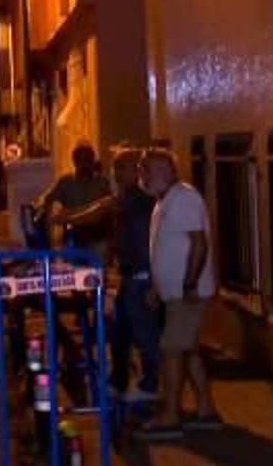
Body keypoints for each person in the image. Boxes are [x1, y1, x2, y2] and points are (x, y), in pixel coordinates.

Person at [65, 146, 162, 401]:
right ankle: (120, 381)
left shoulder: (139, 195)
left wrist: (68, 218)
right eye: (114, 167)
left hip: (141, 275)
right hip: (131, 275)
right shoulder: (130, 196)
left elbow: (103, 207)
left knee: (143, 333)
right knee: (121, 331)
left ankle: (150, 386)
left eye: (122, 167)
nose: (116, 173)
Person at [137, 149, 220, 440]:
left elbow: (199, 244)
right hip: (177, 293)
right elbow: (167, 248)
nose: (143, 176)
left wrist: (188, 284)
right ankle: (206, 411)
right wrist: (158, 287)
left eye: (147, 170)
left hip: (187, 294)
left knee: (171, 350)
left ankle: (170, 416)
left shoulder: (184, 198)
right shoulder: (165, 201)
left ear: (165, 171)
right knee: (189, 350)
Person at [36, 143, 114, 254]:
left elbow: (110, 209)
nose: (84, 165)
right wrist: (49, 234)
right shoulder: (66, 183)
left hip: (98, 237)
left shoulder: (103, 182)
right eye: (80, 160)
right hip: (74, 237)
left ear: (92, 161)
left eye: (87, 160)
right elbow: (47, 200)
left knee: (98, 263)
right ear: (74, 161)